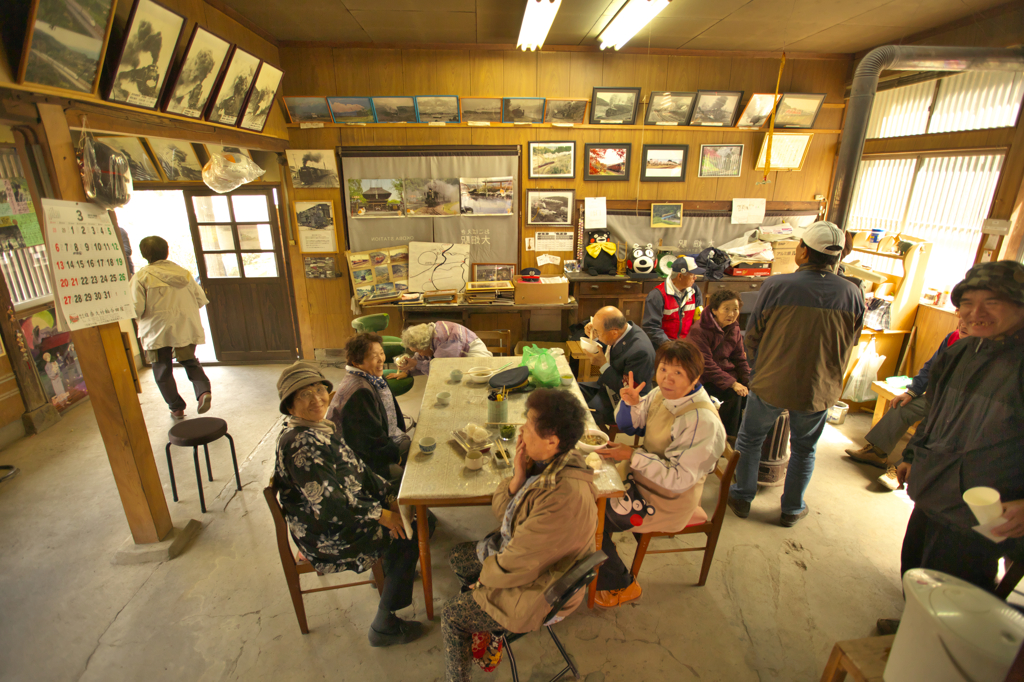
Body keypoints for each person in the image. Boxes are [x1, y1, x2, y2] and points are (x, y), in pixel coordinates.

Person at [441, 389, 597, 682]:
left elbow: (516, 565)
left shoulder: (562, 498)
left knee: (452, 615)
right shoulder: (552, 462)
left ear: (552, 441)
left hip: (544, 592)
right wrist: (517, 480)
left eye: (527, 426)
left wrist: (482, 583)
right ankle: (490, 624)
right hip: (533, 568)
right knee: (457, 557)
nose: (521, 432)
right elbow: (509, 519)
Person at [273, 362, 429, 647]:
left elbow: (358, 470)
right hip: (327, 531)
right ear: (290, 406)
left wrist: (391, 499)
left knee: (411, 507)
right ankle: (384, 624)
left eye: (319, 389)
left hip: (349, 508)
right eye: (304, 395)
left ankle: (391, 570)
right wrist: (381, 514)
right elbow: (330, 505)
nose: (317, 398)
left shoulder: (318, 428)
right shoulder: (301, 445)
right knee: (412, 531)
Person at [895, 261, 1024, 592]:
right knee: (915, 570)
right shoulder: (960, 352)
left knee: (957, 590)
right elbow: (935, 412)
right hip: (934, 488)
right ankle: (911, 631)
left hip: (984, 511)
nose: (974, 312)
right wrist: (912, 454)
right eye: (967, 302)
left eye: (991, 302)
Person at [728, 221, 864, 527]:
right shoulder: (853, 293)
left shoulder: (777, 285)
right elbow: (852, 340)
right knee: (804, 449)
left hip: (772, 382)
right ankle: (791, 508)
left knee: (750, 440)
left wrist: (758, 369)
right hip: (818, 388)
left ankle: (742, 496)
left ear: (803, 251)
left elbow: (753, 335)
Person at [592, 340, 726, 607]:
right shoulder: (662, 394)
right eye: (663, 369)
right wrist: (630, 403)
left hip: (665, 501)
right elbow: (631, 426)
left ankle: (621, 583)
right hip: (641, 479)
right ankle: (595, 562)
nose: (667, 378)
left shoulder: (702, 421)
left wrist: (632, 455)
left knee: (591, 517)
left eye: (678, 372)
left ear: (696, 377)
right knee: (585, 492)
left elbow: (678, 480)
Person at [845, 312, 969, 488]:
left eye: (970, 322)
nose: (963, 324)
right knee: (902, 405)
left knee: (933, 425)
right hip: (938, 397)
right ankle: (877, 452)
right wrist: (912, 392)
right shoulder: (953, 338)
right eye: (962, 318)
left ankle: (899, 471)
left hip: (960, 408)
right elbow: (931, 367)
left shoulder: (987, 351)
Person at [131, 236, 211, 420]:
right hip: (184, 326)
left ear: (144, 254)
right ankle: (203, 392)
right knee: (190, 361)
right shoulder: (184, 274)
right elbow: (201, 300)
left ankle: (176, 408)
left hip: (156, 330)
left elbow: (136, 308)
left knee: (162, 369)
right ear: (166, 251)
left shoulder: (141, 277)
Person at [326, 332, 411, 480]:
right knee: (406, 466)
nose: (381, 360)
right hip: (357, 461)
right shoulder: (360, 392)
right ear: (357, 362)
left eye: (382, 353)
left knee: (410, 445)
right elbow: (369, 443)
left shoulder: (370, 375)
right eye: (373, 356)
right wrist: (394, 457)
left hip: (379, 440)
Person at [686, 288, 750, 437]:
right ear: (714, 310)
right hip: (704, 377)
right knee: (733, 396)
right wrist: (733, 383)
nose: (731, 314)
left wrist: (749, 380)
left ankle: (744, 438)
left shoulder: (734, 328)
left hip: (726, 375)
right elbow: (705, 364)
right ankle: (726, 439)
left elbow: (740, 358)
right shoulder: (699, 330)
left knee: (754, 395)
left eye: (735, 309)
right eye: (726, 309)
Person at [579, 306, 656, 426]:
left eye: (598, 332)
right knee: (574, 393)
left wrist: (602, 365)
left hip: (623, 402)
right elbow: (609, 342)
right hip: (606, 386)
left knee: (584, 414)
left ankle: (597, 442)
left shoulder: (639, 352)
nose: (596, 335)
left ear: (614, 332)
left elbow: (627, 391)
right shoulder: (624, 330)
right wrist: (594, 331)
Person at [642, 255, 704, 347]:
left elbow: (699, 319)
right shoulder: (657, 295)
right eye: (692, 275)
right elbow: (651, 327)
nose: (695, 278)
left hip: (687, 344)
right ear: (680, 276)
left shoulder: (694, 290)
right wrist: (670, 346)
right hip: (664, 346)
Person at [398, 321, 492, 375]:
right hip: (459, 358)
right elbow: (423, 356)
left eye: (419, 351)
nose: (420, 354)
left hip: (478, 362)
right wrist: (408, 370)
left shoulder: (446, 341)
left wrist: (416, 363)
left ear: (425, 344)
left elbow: (440, 369)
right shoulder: (428, 333)